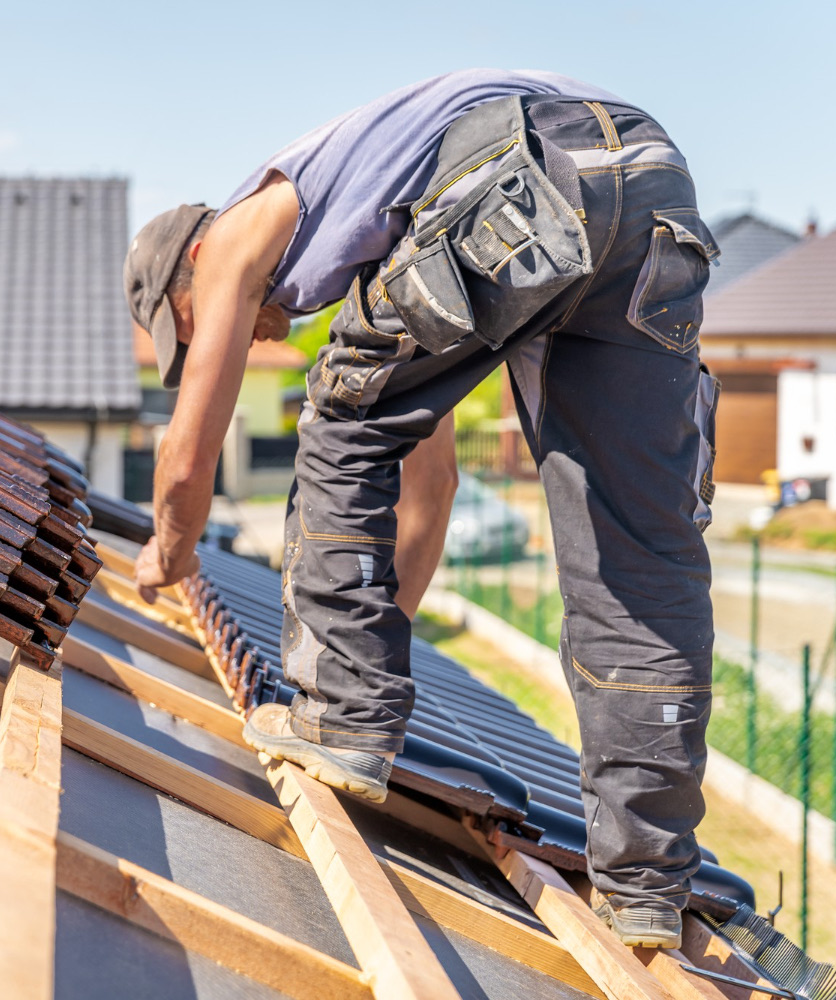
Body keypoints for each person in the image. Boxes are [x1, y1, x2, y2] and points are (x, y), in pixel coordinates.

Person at [122, 69, 721, 949]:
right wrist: (372, 636)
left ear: (190, 269)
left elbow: (187, 459)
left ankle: (337, 722)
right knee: (635, 554)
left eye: (191, 324)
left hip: (524, 165)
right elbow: (427, 488)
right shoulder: (386, 235)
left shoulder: (243, 228)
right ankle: (645, 884)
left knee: (337, 412)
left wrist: (169, 554)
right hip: (648, 181)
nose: (236, 334)